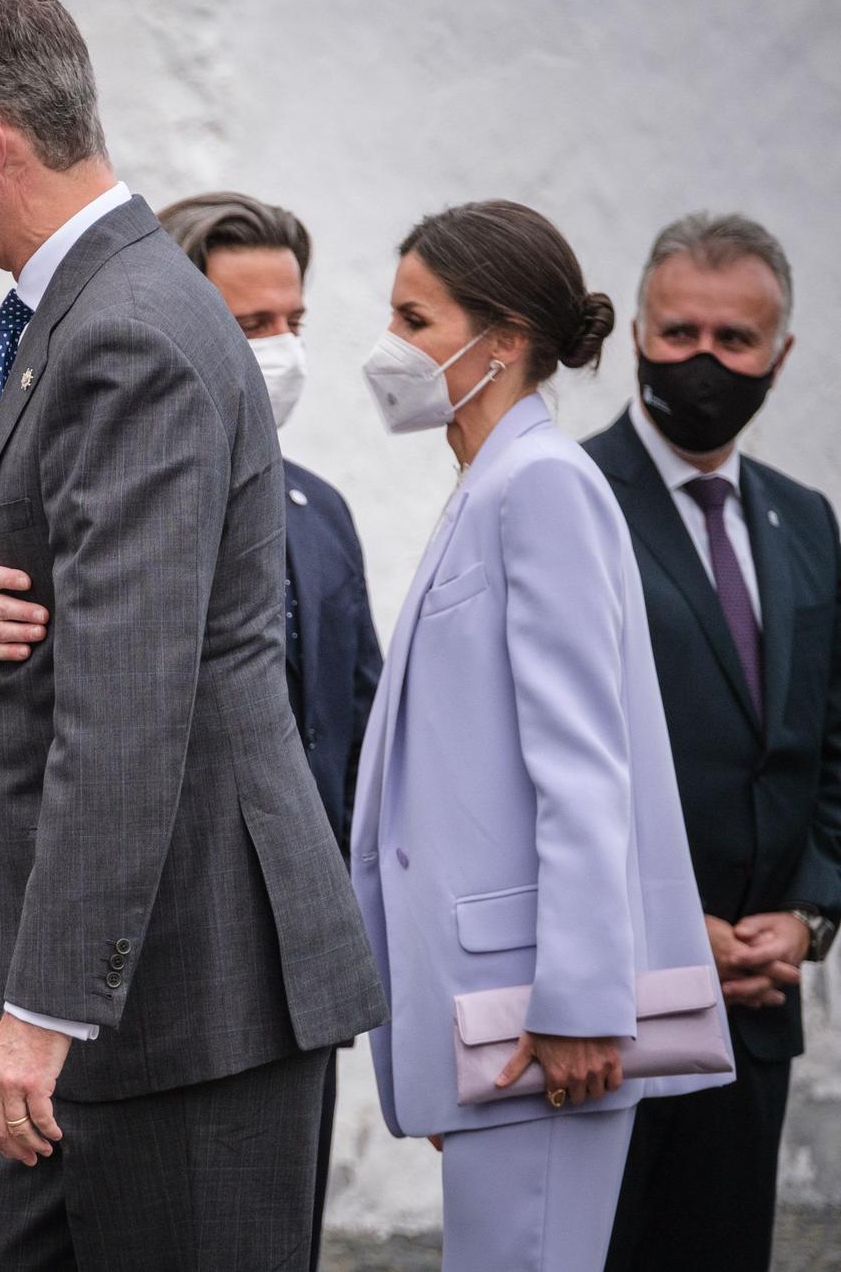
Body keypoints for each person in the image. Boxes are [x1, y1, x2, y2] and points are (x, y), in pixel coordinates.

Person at [0, 0, 385, 1270]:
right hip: (130, 987)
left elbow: (129, 702)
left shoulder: (128, 332)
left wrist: (46, 1009)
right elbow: (49, 626)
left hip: (186, 991)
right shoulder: (76, 314)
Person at [348, 200, 726, 1271]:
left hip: (539, 1026)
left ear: (501, 340)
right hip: (491, 1020)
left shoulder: (540, 485)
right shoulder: (490, 484)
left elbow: (581, 767)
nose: (390, 348)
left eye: (413, 319)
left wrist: (575, 1002)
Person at [590, 213, 841, 1272]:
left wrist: (807, 915)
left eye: (733, 341)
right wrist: (658, 920)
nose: (702, 360)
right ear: (637, 329)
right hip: (608, 1006)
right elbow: (535, 757)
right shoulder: (569, 499)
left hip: (754, 1002)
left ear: (778, 356)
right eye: (678, 331)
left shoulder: (802, 516)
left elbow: (824, 737)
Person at [159, 191, 384, 1267]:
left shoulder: (320, 509)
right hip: (166, 968)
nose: (279, 349)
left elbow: (367, 723)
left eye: (291, 320)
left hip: (303, 965)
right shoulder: (111, 490)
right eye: (250, 326)